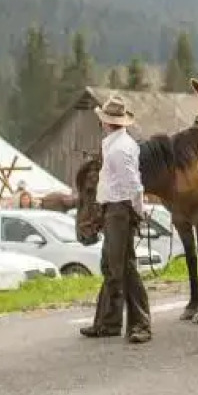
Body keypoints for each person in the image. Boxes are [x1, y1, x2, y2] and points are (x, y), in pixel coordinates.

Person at [79, 93, 151, 343]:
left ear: (107, 122)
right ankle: (108, 321)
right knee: (113, 266)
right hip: (115, 209)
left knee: (123, 267)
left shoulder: (119, 149)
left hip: (119, 210)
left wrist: (137, 211)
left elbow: (133, 184)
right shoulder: (116, 143)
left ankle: (139, 323)